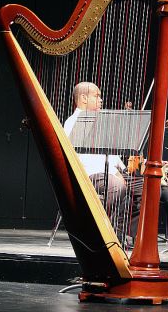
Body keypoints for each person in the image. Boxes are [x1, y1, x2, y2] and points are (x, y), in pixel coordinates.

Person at [64, 82, 128, 242]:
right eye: (97, 96)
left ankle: (119, 232)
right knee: (116, 185)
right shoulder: (73, 122)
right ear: (84, 98)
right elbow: (85, 160)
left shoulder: (98, 120)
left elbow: (109, 153)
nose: (101, 100)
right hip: (89, 175)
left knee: (145, 186)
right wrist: (115, 174)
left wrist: (123, 169)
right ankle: (95, 230)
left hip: (107, 173)